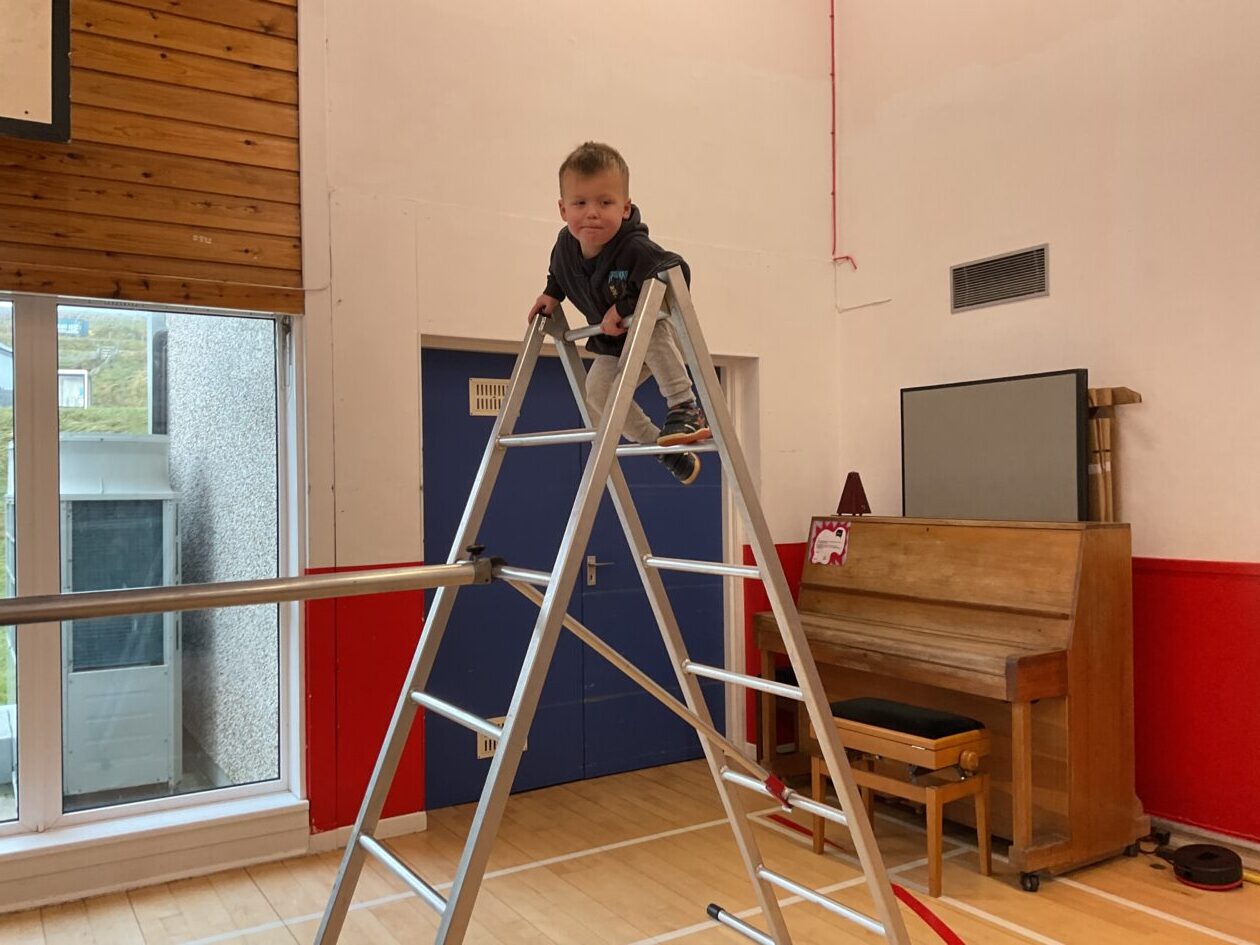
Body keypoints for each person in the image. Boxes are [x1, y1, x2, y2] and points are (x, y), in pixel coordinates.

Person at [527, 141, 710, 485]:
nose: (592, 213)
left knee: (648, 323)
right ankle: (663, 449)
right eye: (580, 203)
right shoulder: (564, 248)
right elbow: (559, 274)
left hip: (650, 335)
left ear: (625, 208)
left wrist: (626, 309)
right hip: (614, 345)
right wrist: (552, 294)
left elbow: (676, 271)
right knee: (597, 391)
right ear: (563, 209)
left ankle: (685, 406)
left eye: (605, 202)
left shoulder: (634, 248)